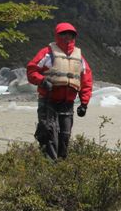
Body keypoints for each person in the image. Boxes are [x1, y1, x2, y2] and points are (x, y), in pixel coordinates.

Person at [27, 22, 93, 160]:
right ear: (58, 35)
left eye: (70, 34)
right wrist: (42, 81)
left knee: (65, 136)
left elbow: (86, 81)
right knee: (49, 134)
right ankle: (50, 167)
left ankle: (61, 168)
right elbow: (32, 70)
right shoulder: (47, 53)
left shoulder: (79, 58)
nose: (67, 37)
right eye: (64, 34)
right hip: (48, 101)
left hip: (67, 104)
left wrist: (84, 103)